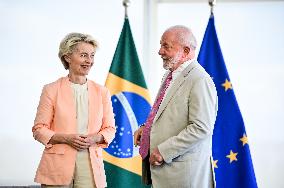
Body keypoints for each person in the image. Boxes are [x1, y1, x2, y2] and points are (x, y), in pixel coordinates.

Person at [134, 25, 218, 188]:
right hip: (165, 173)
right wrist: (146, 129)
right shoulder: (169, 75)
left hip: (183, 175)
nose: (160, 51)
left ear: (186, 51)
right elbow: (166, 113)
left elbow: (201, 128)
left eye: (166, 46)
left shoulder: (199, 80)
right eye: (160, 45)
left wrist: (164, 151)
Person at [32, 33, 116, 188]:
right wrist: (66, 138)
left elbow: (110, 129)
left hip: (90, 165)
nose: (89, 61)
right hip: (56, 167)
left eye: (91, 56)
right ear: (67, 57)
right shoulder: (51, 89)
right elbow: (38, 130)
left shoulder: (102, 92)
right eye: (83, 55)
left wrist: (95, 138)